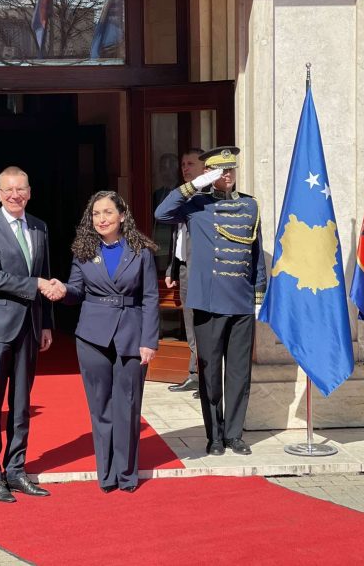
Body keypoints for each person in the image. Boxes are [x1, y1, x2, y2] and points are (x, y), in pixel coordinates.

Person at [154, 146, 266, 457]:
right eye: (219, 170)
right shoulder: (196, 205)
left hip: (241, 301)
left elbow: (256, 256)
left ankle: (234, 434)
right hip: (209, 302)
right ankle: (214, 435)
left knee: (239, 374)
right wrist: (195, 185)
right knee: (210, 373)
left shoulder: (250, 206)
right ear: (209, 173)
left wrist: (259, 294)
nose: (227, 175)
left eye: (230, 169)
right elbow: (161, 213)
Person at [50, 191, 158, 492]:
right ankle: (106, 474)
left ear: (122, 216)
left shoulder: (142, 251)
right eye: (96, 214)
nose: (102, 219)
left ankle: (127, 474)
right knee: (101, 407)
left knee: (128, 405)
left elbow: (150, 298)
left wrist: (149, 340)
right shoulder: (83, 250)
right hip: (92, 336)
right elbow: (76, 290)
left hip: (132, 335)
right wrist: (63, 291)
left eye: (108, 212)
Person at [0, 166, 57, 503]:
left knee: (21, 404)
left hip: (30, 326)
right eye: (8, 189)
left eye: (20, 189)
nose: (14, 195)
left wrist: (47, 322)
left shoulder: (39, 227)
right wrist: (35, 285)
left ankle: (17, 469)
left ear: (29, 191)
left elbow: (46, 274)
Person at [165, 148, 206, 396]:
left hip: (201, 270)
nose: (185, 168)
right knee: (190, 323)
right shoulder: (180, 197)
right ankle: (194, 374)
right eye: (183, 163)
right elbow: (177, 235)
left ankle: (207, 377)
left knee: (203, 326)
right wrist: (173, 266)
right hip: (183, 267)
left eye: (191, 163)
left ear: (205, 169)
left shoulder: (208, 199)